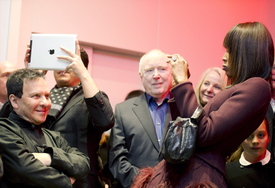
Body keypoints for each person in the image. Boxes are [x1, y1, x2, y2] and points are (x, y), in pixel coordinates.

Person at [134, 21, 273, 188]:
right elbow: (186, 127)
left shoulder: (257, 87)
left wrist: (184, 83)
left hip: (197, 176)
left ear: (246, 53)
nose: (224, 56)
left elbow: (203, 132)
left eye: (229, 50)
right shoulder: (242, 88)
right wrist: (179, 83)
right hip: (188, 172)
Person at [0, 40, 115, 187]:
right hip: (35, 177)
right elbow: (11, 120)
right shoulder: (44, 97)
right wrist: (32, 75)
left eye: (69, 64)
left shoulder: (89, 98)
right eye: (58, 64)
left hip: (80, 179)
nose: (44, 103)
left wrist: (49, 157)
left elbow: (105, 123)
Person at [0, 69, 90, 187]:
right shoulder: (4, 130)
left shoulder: (53, 136)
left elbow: (84, 164)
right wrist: (66, 180)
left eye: (47, 96)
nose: (45, 103)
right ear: (14, 101)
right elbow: (25, 168)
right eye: (36, 96)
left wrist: (49, 157)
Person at [108, 49, 179, 188]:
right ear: (141, 76)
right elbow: (117, 160)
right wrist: (146, 183)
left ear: (171, 73)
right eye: (150, 70)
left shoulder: (185, 107)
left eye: (162, 69)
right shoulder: (123, 111)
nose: (156, 75)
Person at [226, 118, 275, 187]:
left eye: (261, 135)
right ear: (241, 138)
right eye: (249, 135)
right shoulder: (227, 172)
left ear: (268, 138)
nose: (255, 141)